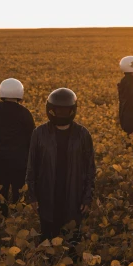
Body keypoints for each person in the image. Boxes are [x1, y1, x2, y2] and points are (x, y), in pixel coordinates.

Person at [26, 88, 95, 242]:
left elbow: (90, 169)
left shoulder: (83, 134)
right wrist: (32, 195)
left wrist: (87, 197)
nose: (61, 114)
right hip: (47, 195)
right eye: (58, 110)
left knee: (72, 240)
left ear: (72, 111)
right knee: (48, 240)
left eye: (65, 110)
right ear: (50, 110)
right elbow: (32, 166)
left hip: (74, 196)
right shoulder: (39, 133)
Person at [0, 78, 36, 217]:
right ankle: (17, 218)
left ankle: (1, 217)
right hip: (20, 159)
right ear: (20, 93)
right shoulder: (25, 113)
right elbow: (32, 138)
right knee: (19, 190)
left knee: (1, 189)